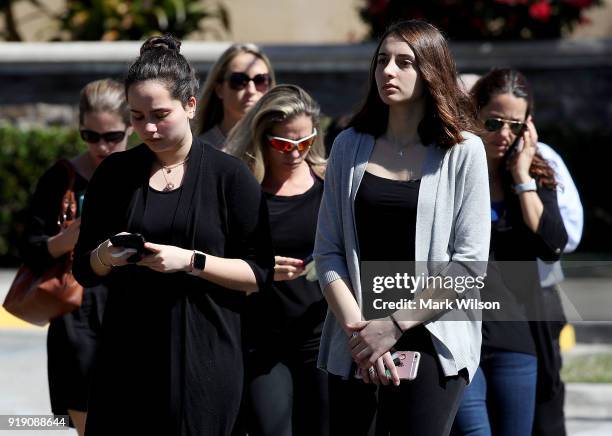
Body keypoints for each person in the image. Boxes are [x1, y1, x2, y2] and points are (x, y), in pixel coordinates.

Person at [72, 35, 274, 436]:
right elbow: (84, 268)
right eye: (137, 115)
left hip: (205, 355)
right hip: (127, 356)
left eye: (160, 114)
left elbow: (258, 273)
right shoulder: (114, 175)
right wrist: (108, 256)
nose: (148, 127)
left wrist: (191, 261)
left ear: (191, 105)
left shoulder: (229, 177)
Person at [313, 20, 491, 436]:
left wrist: (391, 326)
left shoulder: (464, 152)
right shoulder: (348, 145)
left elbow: (469, 268)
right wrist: (361, 334)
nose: (388, 71)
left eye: (404, 62)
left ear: (431, 72)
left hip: (431, 335)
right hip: (354, 334)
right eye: (382, 61)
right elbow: (328, 252)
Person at [453, 68, 568, 436]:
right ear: (474, 114)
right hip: (456, 330)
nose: (504, 134)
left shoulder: (534, 174)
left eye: (515, 125)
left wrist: (521, 179)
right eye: (494, 121)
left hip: (514, 336)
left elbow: (552, 245)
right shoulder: (448, 168)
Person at [19, 78, 131, 435]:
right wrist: (67, 238)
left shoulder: (147, 173)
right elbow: (31, 250)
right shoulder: (62, 178)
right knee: (84, 416)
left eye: (112, 136)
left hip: (133, 306)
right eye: (91, 136)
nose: (101, 146)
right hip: (77, 310)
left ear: (132, 127)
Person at [226, 84, 329, 436]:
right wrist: (261, 272)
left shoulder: (329, 182)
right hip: (261, 337)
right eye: (284, 144)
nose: (296, 153)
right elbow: (220, 261)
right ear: (263, 138)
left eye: (305, 142)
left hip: (320, 334)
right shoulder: (242, 189)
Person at [194, 43, 275, 150]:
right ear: (219, 89)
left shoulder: (280, 144)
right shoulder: (200, 150)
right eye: (239, 80)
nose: (251, 90)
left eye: (260, 80)